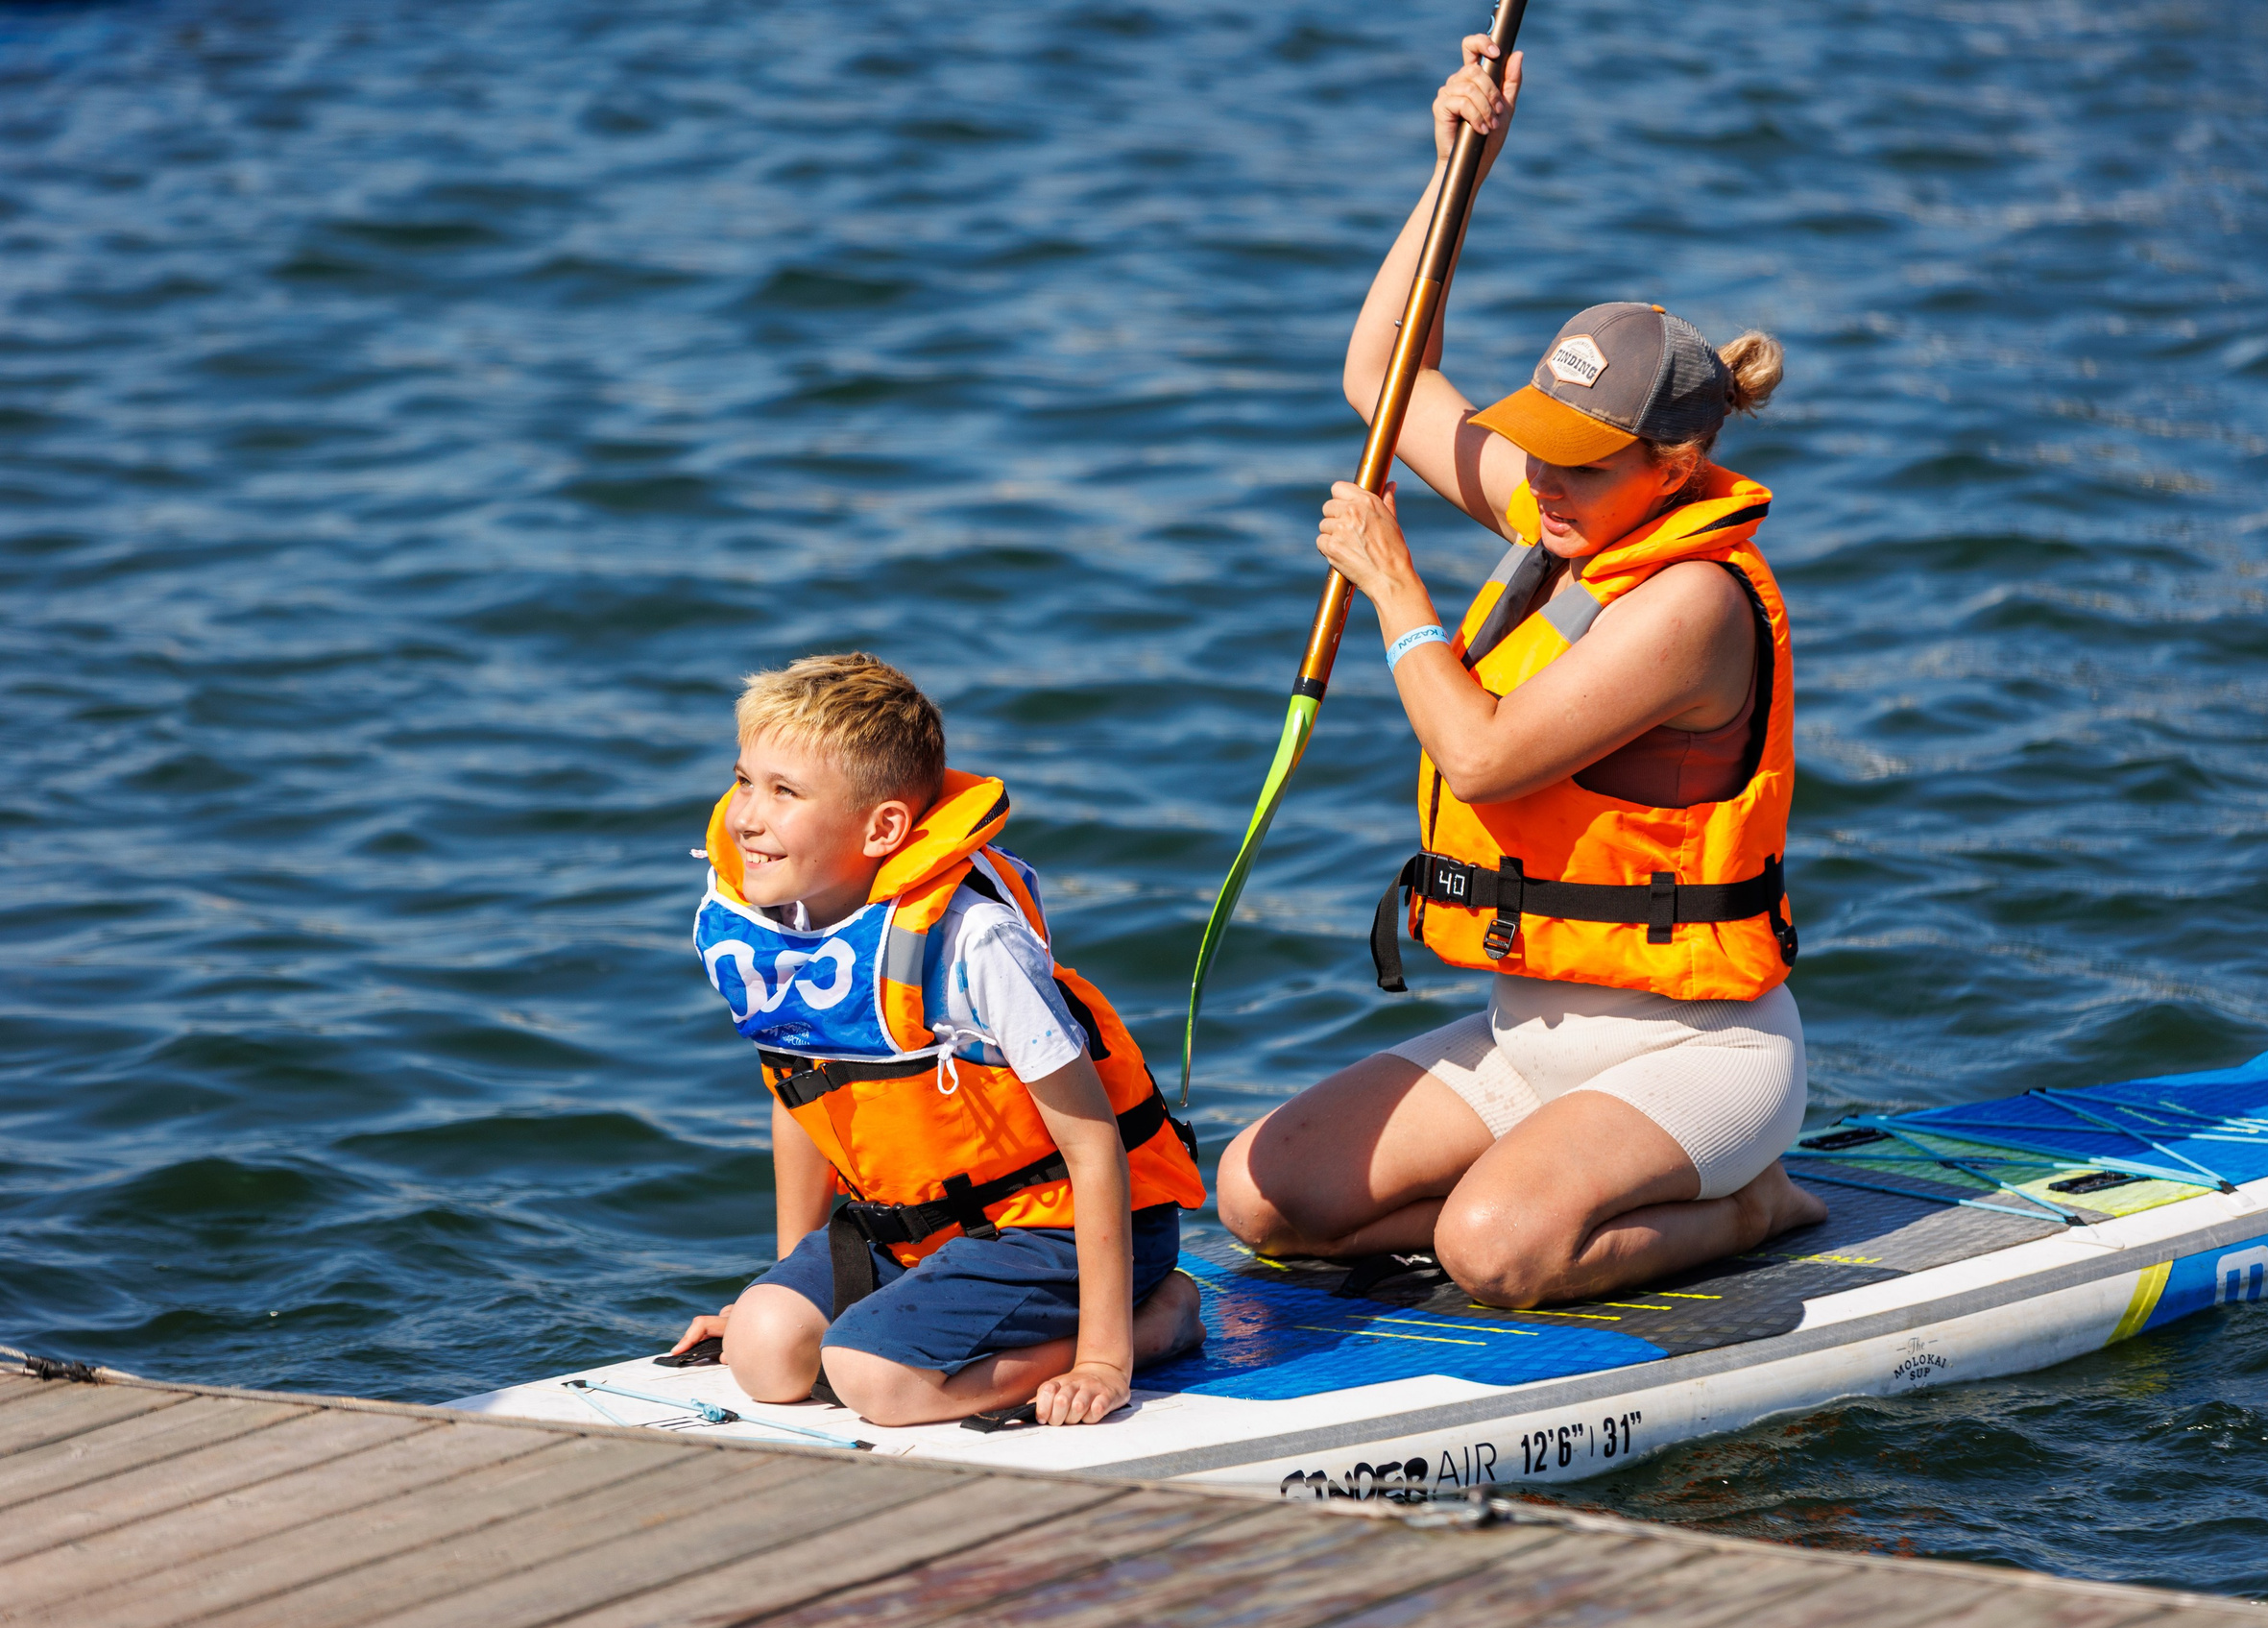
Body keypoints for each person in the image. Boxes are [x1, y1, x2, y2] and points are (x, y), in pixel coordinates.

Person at [1216, 34, 1826, 1309]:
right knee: (1261, 1193)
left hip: (1695, 1052)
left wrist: (1395, 585)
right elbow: (1379, 374)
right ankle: (1532, 1187)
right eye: (1537, 450)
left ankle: (1752, 1199)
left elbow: (1483, 752)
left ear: (1675, 463)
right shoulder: (1557, 524)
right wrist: (1458, 170)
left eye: (1581, 464)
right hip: (1529, 1032)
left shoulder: (1692, 605)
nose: (1542, 482)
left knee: (1494, 1254)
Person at [671, 653, 1206, 1426]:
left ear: (883, 826)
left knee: (876, 1382)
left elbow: (1093, 1146)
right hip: (917, 1229)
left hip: (1052, 1227)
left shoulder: (974, 942)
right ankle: (838, 1317)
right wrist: (787, 1280)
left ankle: (1163, 1316)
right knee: (763, 1351)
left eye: (784, 792)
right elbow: (801, 1094)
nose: (745, 816)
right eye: (744, 779)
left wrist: (1103, 1358)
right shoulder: (781, 926)